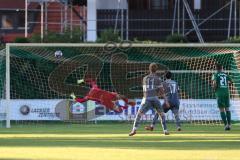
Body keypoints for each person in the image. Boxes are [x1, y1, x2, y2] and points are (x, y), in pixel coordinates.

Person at [129, 63, 170, 136]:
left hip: (146, 98)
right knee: (162, 115)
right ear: (156, 70)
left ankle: (134, 130)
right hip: (155, 98)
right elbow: (161, 90)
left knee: (139, 115)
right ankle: (165, 130)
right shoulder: (158, 79)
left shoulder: (145, 78)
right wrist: (166, 100)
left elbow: (145, 90)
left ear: (149, 69)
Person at [70, 79, 135, 113]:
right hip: (105, 99)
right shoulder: (90, 93)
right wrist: (82, 81)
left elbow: (81, 100)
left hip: (107, 96)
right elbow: (92, 81)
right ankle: (124, 105)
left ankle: (124, 105)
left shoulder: (92, 91)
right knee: (119, 102)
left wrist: (74, 97)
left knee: (121, 98)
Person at [212, 64, 233, 130]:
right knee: (227, 109)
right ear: (222, 68)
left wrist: (215, 88)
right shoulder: (226, 74)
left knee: (221, 109)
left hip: (219, 94)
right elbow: (231, 82)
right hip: (226, 93)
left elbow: (214, 83)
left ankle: (226, 125)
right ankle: (229, 124)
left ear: (216, 69)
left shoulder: (215, 74)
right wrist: (226, 84)